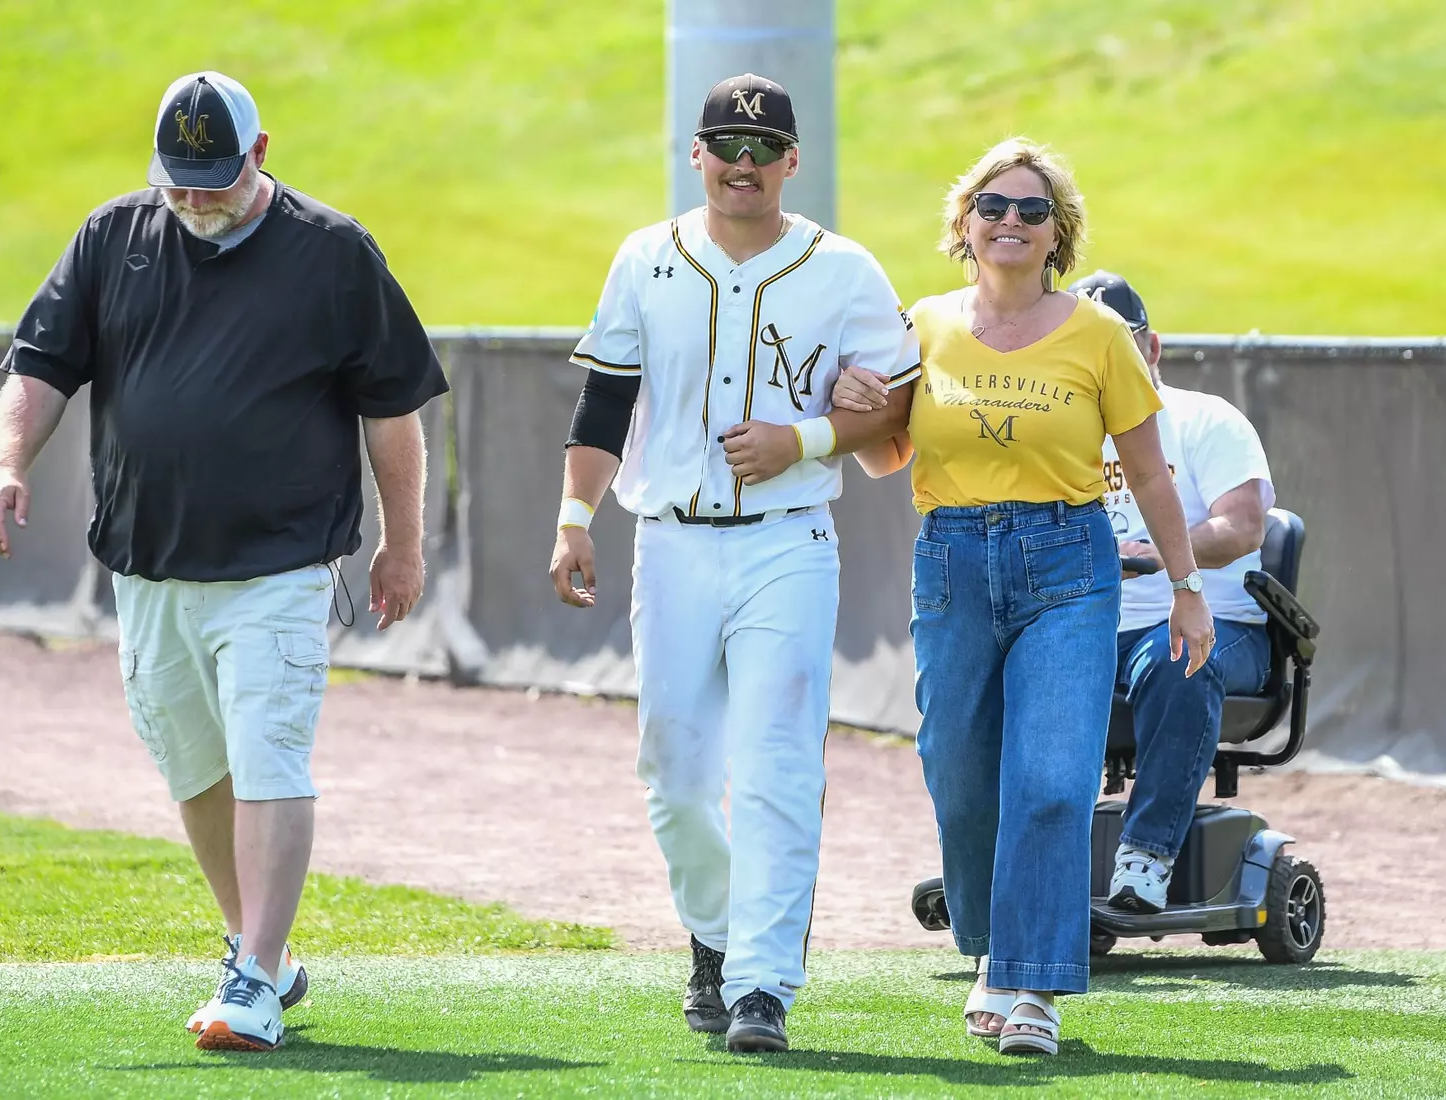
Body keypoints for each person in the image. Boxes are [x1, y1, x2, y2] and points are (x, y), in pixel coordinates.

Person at [0, 71, 447, 1052]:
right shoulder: (113, 236)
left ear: (259, 154)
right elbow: (39, 365)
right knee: (190, 761)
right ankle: (260, 951)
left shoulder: (333, 253)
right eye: (178, 180)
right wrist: (5, 463)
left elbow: (393, 413)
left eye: (213, 180)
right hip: (149, 565)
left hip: (279, 564)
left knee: (268, 750)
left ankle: (253, 981)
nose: (193, 198)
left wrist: (403, 544)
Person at [547, 73, 920, 1053]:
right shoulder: (645, 255)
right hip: (668, 541)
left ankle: (761, 982)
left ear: (793, 160)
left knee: (774, 761)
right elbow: (602, 404)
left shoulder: (841, 268)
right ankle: (713, 936)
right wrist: (573, 515)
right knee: (671, 769)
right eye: (725, 143)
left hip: (787, 541)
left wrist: (802, 438)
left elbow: (897, 407)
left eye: (763, 148)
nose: (742, 163)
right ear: (695, 153)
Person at [827, 137, 1213, 1056]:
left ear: (1057, 235)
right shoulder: (919, 324)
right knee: (957, 776)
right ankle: (992, 947)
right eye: (992, 206)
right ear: (963, 225)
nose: (1009, 221)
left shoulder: (1099, 335)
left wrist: (1187, 589)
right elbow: (887, 455)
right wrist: (857, 395)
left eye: (1030, 210)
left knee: (1051, 780)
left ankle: (1028, 985)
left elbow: (1152, 478)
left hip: (1065, 564)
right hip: (954, 560)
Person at [1067, 271, 1276, 913]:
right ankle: (1005, 858)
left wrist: (1159, 558)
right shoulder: (1063, 432)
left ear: (1151, 348)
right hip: (1096, 626)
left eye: (1119, 345)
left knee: (1175, 657)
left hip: (1218, 626)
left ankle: (1147, 858)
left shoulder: (1205, 420)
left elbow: (1242, 525)